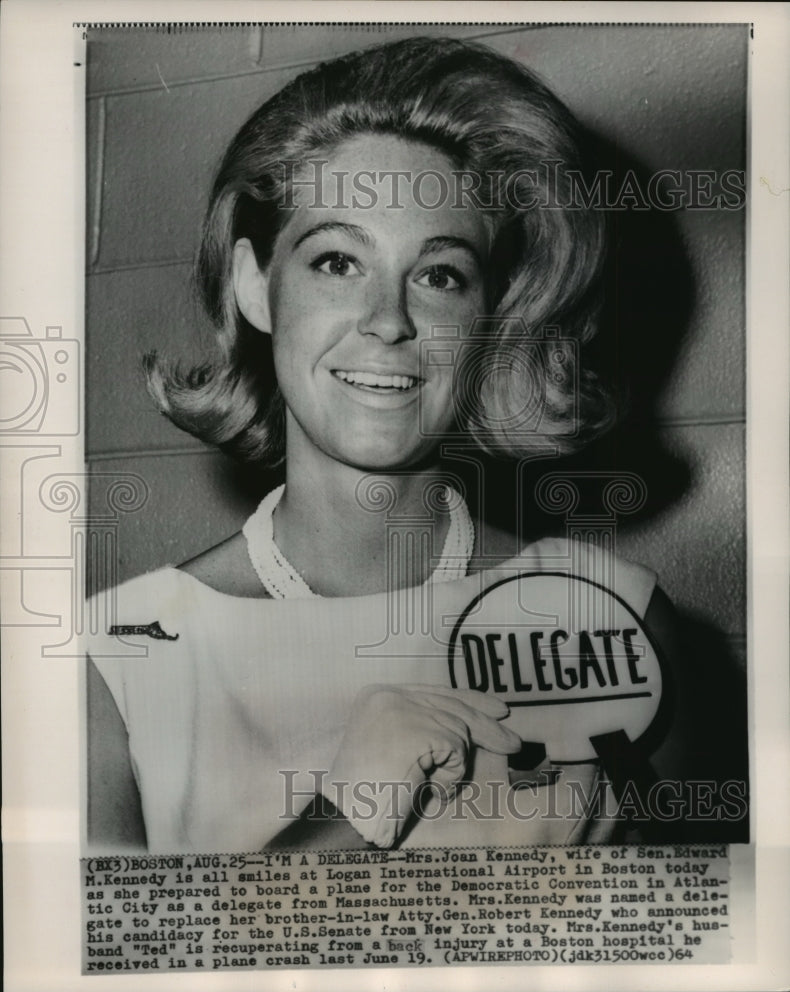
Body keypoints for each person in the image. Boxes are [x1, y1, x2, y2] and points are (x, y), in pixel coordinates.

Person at [86, 36, 721, 855]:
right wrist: (350, 812)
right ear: (254, 286)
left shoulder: (618, 618)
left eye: (440, 274)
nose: (388, 320)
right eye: (338, 260)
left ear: (491, 317)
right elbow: (113, 977)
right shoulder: (118, 653)